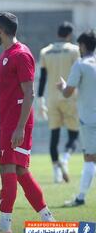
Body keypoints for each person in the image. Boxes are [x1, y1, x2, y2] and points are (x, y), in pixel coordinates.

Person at [0, 12, 55, 233]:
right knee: (21, 171)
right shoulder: (7, 55)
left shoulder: (21, 54)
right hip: (9, 121)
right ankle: (48, 220)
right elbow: (9, 94)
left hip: (17, 123)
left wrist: (20, 127)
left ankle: (5, 225)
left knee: (7, 169)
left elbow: (29, 94)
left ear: (0, 30)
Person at [57, 30, 96, 207]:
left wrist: (62, 86)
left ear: (82, 46)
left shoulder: (80, 64)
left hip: (89, 120)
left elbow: (67, 93)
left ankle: (80, 198)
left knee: (89, 157)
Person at [38, 22, 80, 183]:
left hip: (52, 99)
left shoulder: (45, 52)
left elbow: (42, 79)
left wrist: (40, 101)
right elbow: (78, 74)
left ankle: (56, 172)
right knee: (73, 135)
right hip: (70, 97)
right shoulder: (74, 50)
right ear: (69, 35)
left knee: (54, 137)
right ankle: (65, 157)